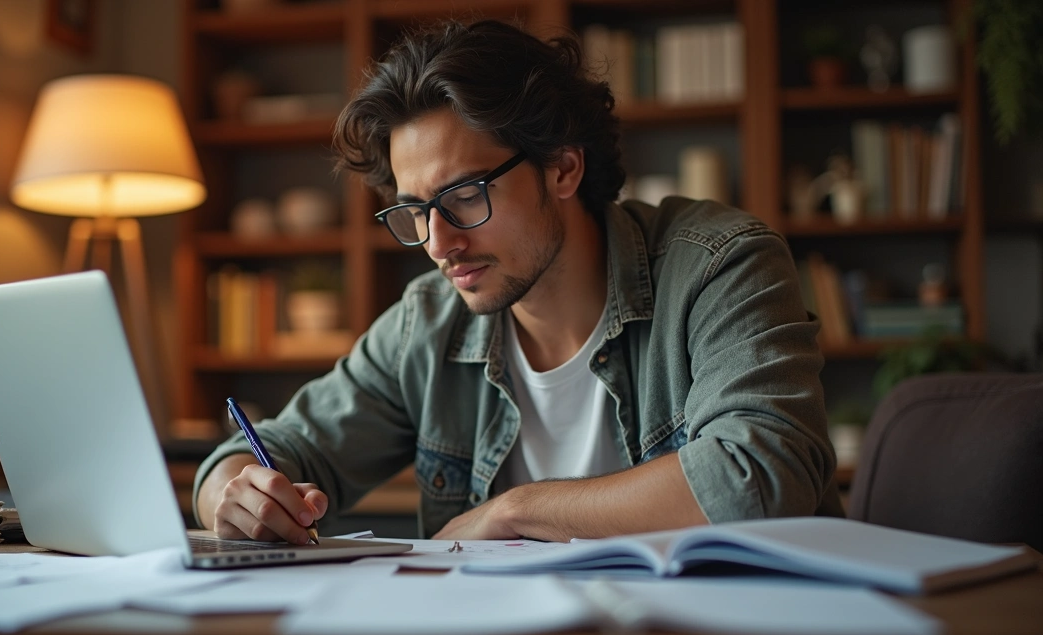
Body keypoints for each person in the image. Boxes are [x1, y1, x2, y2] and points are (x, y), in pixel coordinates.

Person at [195, 19, 843, 546]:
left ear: (561, 169)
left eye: (465, 196)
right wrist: (231, 490)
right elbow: (275, 451)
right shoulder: (427, 324)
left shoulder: (718, 264)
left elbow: (757, 476)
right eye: (415, 211)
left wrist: (513, 512)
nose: (439, 244)